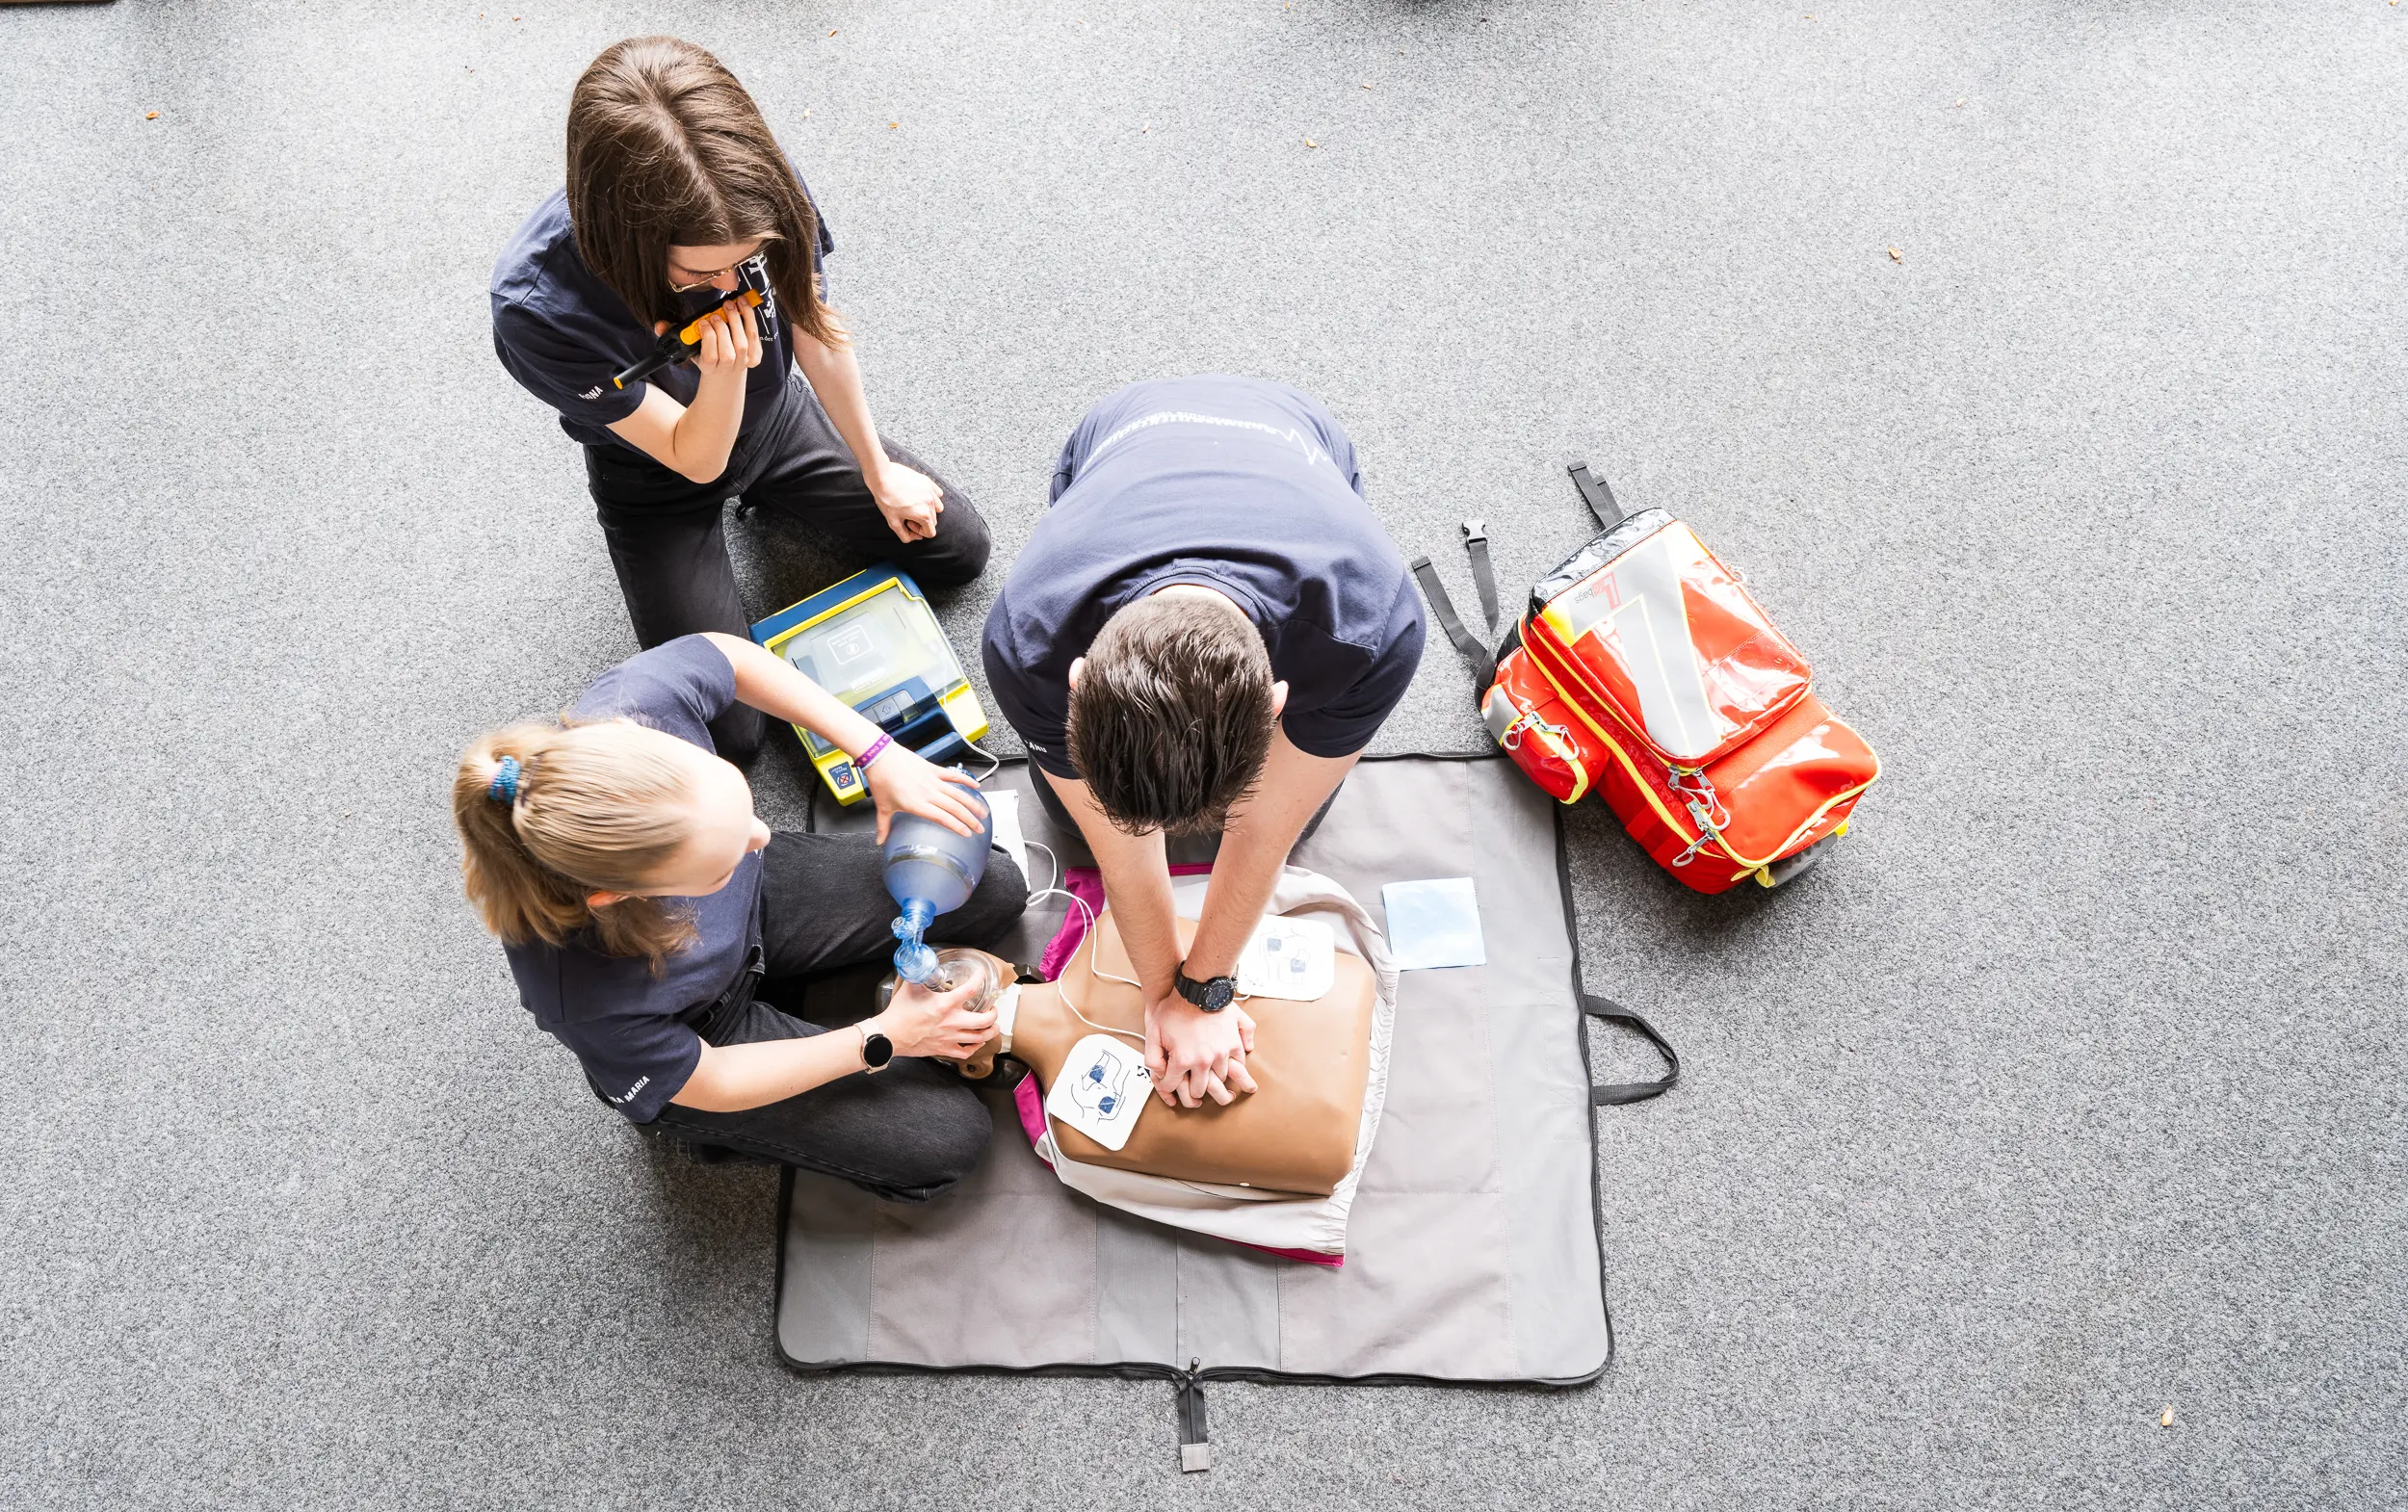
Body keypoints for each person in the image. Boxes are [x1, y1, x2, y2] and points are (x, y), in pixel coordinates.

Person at [490, 36, 990, 767]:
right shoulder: (538, 307)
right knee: (731, 732)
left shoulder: (754, 188)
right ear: (630, 242)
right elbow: (694, 459)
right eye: (702, 274)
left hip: (775, 417)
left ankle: (782, 491)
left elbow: (814, 328)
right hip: (656, 474)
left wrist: (876, 467)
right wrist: (722, 376)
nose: (733, 288)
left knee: (958, 548)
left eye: (745, 261)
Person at [980, 375, 1425, 1113]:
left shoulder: (1374, 628)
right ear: (1077, 682)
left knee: (1298, 818)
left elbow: (1263, 831)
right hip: (1121, 429)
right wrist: (1170, 996)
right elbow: (1121, 848)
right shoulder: (1026, 642)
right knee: (1070, 819)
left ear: (1277, 703)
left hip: (1297, 431)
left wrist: (1205, 990)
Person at [452, 633, 1028, 1201]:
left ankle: (770, 957)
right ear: (615, 896)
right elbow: (716, 1080)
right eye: (722, 858)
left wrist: (877, 753)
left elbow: (733, 658)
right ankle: (718, 1136)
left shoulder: (635, 710)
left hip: (756, 904)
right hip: (708, 1037)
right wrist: (883, 1037)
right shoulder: (581, 995)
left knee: (993, 886)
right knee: (950, 1139)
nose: (763, 835)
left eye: (744, 812)